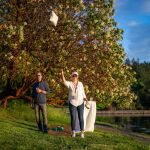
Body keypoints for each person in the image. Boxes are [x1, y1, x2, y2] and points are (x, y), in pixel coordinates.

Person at [61, 69, 88, 138]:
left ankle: (82, 132)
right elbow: (64, 81)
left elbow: (83, 92)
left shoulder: (81, 84)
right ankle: (73, 132)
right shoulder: (69, 84)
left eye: (76, 75)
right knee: (73, 118)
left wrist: (86, 99)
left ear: (77, 76)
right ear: (72, 76)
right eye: (73, 75)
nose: (74, 77)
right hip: (72, 103)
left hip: (80, 103)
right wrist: (62, 74)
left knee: (81, 118)